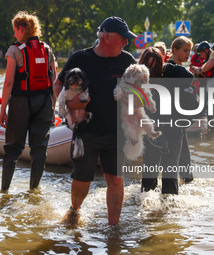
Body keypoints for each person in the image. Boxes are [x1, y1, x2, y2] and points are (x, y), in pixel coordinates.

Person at [53, 16, 137, 225]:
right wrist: (69, 106)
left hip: (116, 131)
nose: (126, 42)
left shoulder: (126, 60)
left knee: (116, 179)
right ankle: (74, 210)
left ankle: (113, 227)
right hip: (86, 131)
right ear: (107, 37)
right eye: (123, 38)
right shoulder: (80, 58)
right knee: (82, 179)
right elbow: (58, 84)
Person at [0, 11, 57, 192]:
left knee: (12, 149)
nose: (14, 33)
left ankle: (4, 191)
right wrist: (53, 107)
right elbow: (53, 80)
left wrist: (2, 109)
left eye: (15, 30)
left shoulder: (14, 50)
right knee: (39, 149)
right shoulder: (46, 49)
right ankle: (34, 190)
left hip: (21, 103)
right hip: (44, 102)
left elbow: (8, 82)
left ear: (21, 29)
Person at [159, 36, 195, 195]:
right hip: (171, 120)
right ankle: (170, 200)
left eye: (189, 50)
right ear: (174, 50)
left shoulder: (167, 69)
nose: (188, 54)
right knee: (171, 161)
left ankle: (187, 182)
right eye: (185, 50)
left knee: (182, 155)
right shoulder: (172, 70)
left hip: (175, 120)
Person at [138, 47, 166, 192]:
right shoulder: (134, 77)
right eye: (148, 65)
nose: (151, 70)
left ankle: (149, 197)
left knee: (153, 163)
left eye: (155, 66)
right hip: (141, 125)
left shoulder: (163, 79)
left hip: (158, 127)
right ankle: (144, 196)